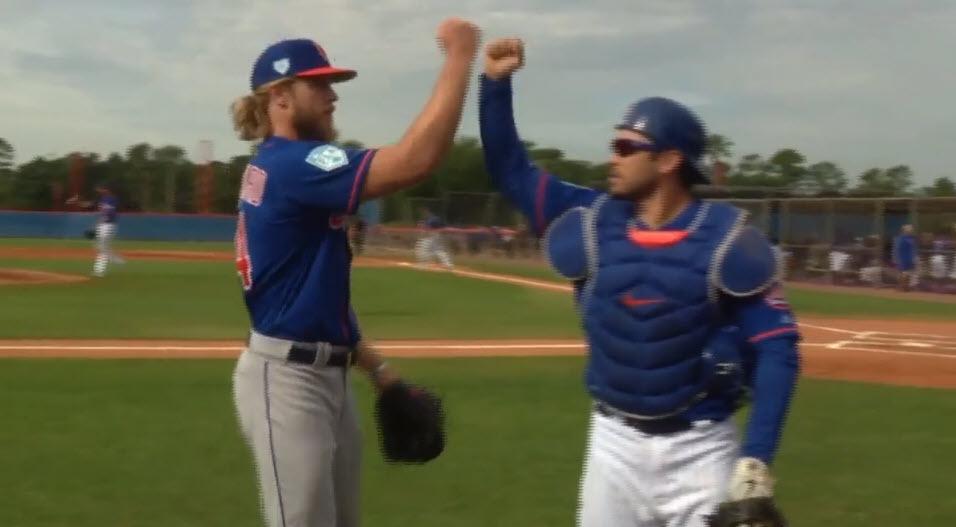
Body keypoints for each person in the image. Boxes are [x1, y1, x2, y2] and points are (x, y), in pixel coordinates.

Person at [479, 38, 800, 527]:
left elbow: (778, 347)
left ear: (669, 161)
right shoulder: (588, 219)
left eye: (626, 147)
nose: (613, 157)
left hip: (702, 448)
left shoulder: (727, 242)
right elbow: (510, 169)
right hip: (614, 446)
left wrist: (755, 461)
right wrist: (495, 84)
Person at [228, 19, 479, 527]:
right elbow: (415, 159)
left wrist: (378, 370)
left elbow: (319, 296)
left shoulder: (282, 165)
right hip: (287, 381)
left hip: (327, 377)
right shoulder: (295, 164)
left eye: (331, 84)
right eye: (317, 84)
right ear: (279, 96)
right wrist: (460, 58)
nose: (331, 95)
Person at [67, 184, 125, 277]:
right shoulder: (101, 199)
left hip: (109, 225)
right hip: (102, 225)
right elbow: (87, 205)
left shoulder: (112, 199)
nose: (98, 190)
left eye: (100, 189)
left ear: (107, 189)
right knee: (99, 246)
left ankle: (99, 271)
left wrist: (97, 225)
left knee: (101, 247)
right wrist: (77, 201)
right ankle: (117, 259)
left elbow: (109, 213)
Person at [892, 224, 918, 291]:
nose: (911, 231)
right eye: (909, 230)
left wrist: (895, 258)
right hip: (907, 258)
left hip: (903, 258)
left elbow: (897, 249)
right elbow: (913, 249)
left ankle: (902, 287)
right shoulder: (910, 239)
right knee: (906, 273)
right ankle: (905, 287)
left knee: (903, 273)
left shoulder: (900, 238)